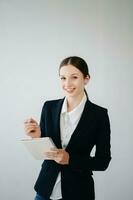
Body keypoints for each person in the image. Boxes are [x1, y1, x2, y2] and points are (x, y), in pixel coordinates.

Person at [24, 56, 111, 200]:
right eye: (63, 78)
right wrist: (37, 137)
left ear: (86, 79)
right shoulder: (49, 107)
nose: (67, 83)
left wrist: (70, 159)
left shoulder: (99, 115)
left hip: (79, 191)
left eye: (74, 77)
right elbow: (47, 152)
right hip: (45, 189)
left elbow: (103, 161)